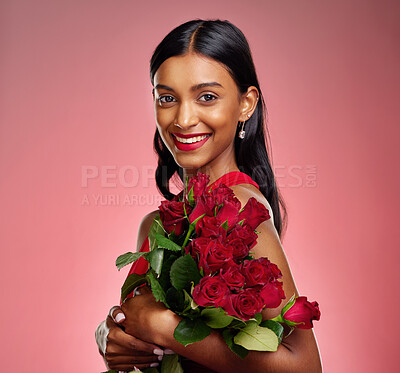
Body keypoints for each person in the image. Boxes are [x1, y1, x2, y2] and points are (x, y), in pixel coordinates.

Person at [95, 19, 322, 372]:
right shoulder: (154, 226)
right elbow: (137, 345)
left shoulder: (241, 207)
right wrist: (111, 337)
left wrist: (165, 329)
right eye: (167, 98)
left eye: (207, 97)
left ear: (246, 104)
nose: (183, 119)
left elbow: (305, 367)